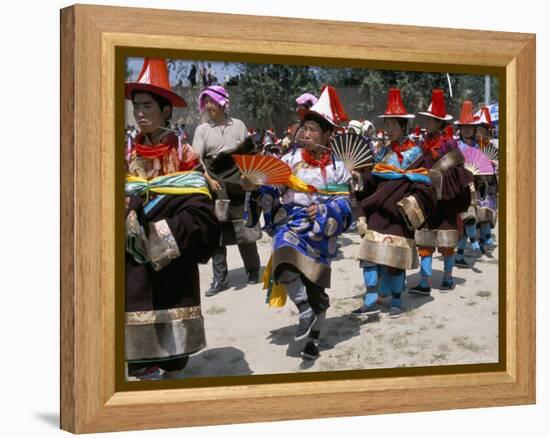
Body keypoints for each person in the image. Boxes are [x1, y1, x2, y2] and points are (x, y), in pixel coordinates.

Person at [124, 58, 220, 380]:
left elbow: (201, 214)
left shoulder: (185, 155)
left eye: (147, 106)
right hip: (133, 263)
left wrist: (159, 233)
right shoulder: (124, 155)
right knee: (139, 353)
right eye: (136, 106)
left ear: (166, 110)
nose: (140, 113)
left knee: (173, 358)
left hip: (173, 257)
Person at [242, 85, 353, 360]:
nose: (305, 133)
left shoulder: (339, 168)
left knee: (318, 292)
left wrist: (325, 211)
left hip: (321, 235)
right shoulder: (289, 159)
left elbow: (346, 205)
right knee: (282, 256)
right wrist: (255, 186)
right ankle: (303, 307)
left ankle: (313, 338)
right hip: (292, 226)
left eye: (313, 129)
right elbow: (273, 188)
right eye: (304, 128)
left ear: (328, 134)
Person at [351, 88, 436, 318]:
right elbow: (373, 178)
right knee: (369, 255)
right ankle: (370, 296)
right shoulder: (382, 153)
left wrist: (410, 203)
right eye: (386, 124)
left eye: (391, 125)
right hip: (378, 212)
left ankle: (397, 300)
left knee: (395, 261)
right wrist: (360, 177)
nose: (387, 129)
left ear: (402, 126)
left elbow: (424, 185)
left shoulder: (416, 153)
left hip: (399, 214)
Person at [192, 85, 262, 296]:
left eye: (211, 101)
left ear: (222, 102)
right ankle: (219, 279)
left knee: (245, 229)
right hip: (215, 184)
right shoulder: (202, 129)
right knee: (217, 234)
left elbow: (248, 154)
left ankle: (252, 271)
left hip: (238, 184)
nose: (208, 106)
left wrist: (247, 177)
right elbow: (195, 159)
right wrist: (209, 180)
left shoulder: (238, 125)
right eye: (206, 102)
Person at [409, 89, 474, 295]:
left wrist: (440, 178)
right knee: (425, 241)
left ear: (440, 124)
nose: (428, 124)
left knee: (446, 242)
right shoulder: (422, 144)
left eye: (432, 121)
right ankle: (425, 282)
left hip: (446, 201)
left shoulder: (450, 144)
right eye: (427, 121)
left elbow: (457, 171)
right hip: (427, 200)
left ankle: (447, 277)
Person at [454, 100, 482, 267]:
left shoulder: (479, 146)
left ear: (474, 129)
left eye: (470, 127)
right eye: (464, 127)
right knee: (468, 216)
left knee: (466, 223)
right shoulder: (456, 145)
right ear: (460, 129)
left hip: (475, 186)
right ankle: (474, 241)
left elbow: (482, 165)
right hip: (461, 187)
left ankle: (459, 256)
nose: (467, 129)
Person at [475, 106, 498, 254]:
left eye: (484, 129)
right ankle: (482, 239)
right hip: (478, 184)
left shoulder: (494, 148)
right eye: (479, 129)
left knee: (488, 212)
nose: (481, 132)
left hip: (491, 184)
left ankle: (485, 238)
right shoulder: (473, 147)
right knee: (480, 212)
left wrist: (495, 165)